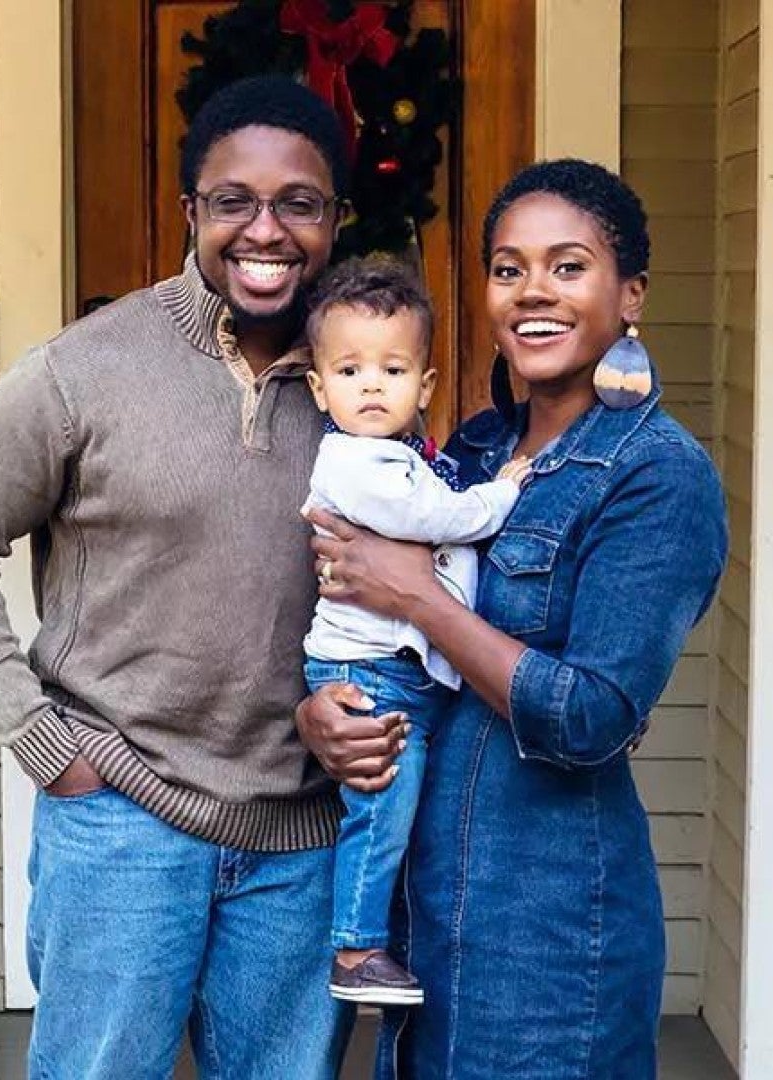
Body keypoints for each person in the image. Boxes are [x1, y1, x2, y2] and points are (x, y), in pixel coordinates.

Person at [0, 75, 356, 1079]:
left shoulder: (365, 380)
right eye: (233, 200)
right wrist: (37, 736)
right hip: (124, 818)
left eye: (299, 203)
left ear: (335, 220)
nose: (265, 229)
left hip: (303, 841)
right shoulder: (87, 371)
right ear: (191, 211)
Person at [296, 159, 729, 1078]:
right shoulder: (471, 451)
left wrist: (412, 594)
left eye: (569, 267)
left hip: (549, 932)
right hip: (424, 913)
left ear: (631, 295)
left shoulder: (660, 475)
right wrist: (326, 710)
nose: (533, 291)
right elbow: (377, 627)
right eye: (507, 268)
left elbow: (589, 716)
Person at [297, 255, 530, 1006]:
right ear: (319, 387)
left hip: (397, 663)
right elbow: (429, 521)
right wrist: (502, 497)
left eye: (393, 370)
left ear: (424, 387)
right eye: (351, 369)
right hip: (372, 668)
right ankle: (358, 951)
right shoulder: (358, 462)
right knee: (382, 806)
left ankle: (378, 937)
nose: (371, 385)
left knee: (400, 807)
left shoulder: (404, 457)